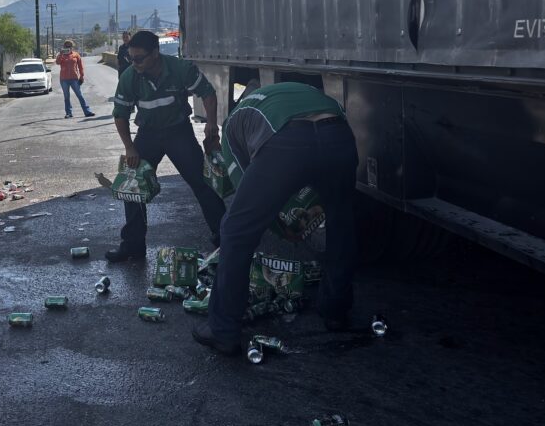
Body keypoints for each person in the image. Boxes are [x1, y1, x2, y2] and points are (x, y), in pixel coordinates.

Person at [192, 81, 359, 355]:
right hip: (338, 135)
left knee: (235, 230)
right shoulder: (293, 92)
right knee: (342, 222)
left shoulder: (233, 125)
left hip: (288, 141)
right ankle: (336, 311)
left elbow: (246, 195)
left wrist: (279, 225)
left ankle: (222, 330)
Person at [108, 30, 225, 262]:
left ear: (156, 53)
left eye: (139, 58)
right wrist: (129, 147)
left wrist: (211, 123)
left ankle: (226, 236)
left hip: (178, 132)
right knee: (133, 189)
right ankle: (133, 246)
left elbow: (208, 93)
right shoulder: (130, 76)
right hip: (148, 135)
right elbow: (120, 114)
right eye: (131, 58)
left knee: (202, 184)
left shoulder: (180, 69)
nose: (135, 63)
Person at [55, 40, 95, 119]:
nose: (68, 48)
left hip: (74, 78)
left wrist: (82, 76)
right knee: (66, 97)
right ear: (64, 47)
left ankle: (87, 111)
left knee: (80, 95)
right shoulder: (61, 55)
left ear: (72, 47)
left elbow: (80, 66)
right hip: (64, 79)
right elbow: (58, 62)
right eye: (66, 46)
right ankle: (68, 113)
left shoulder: (76, 55)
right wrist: (60, 54)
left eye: (69, 46)